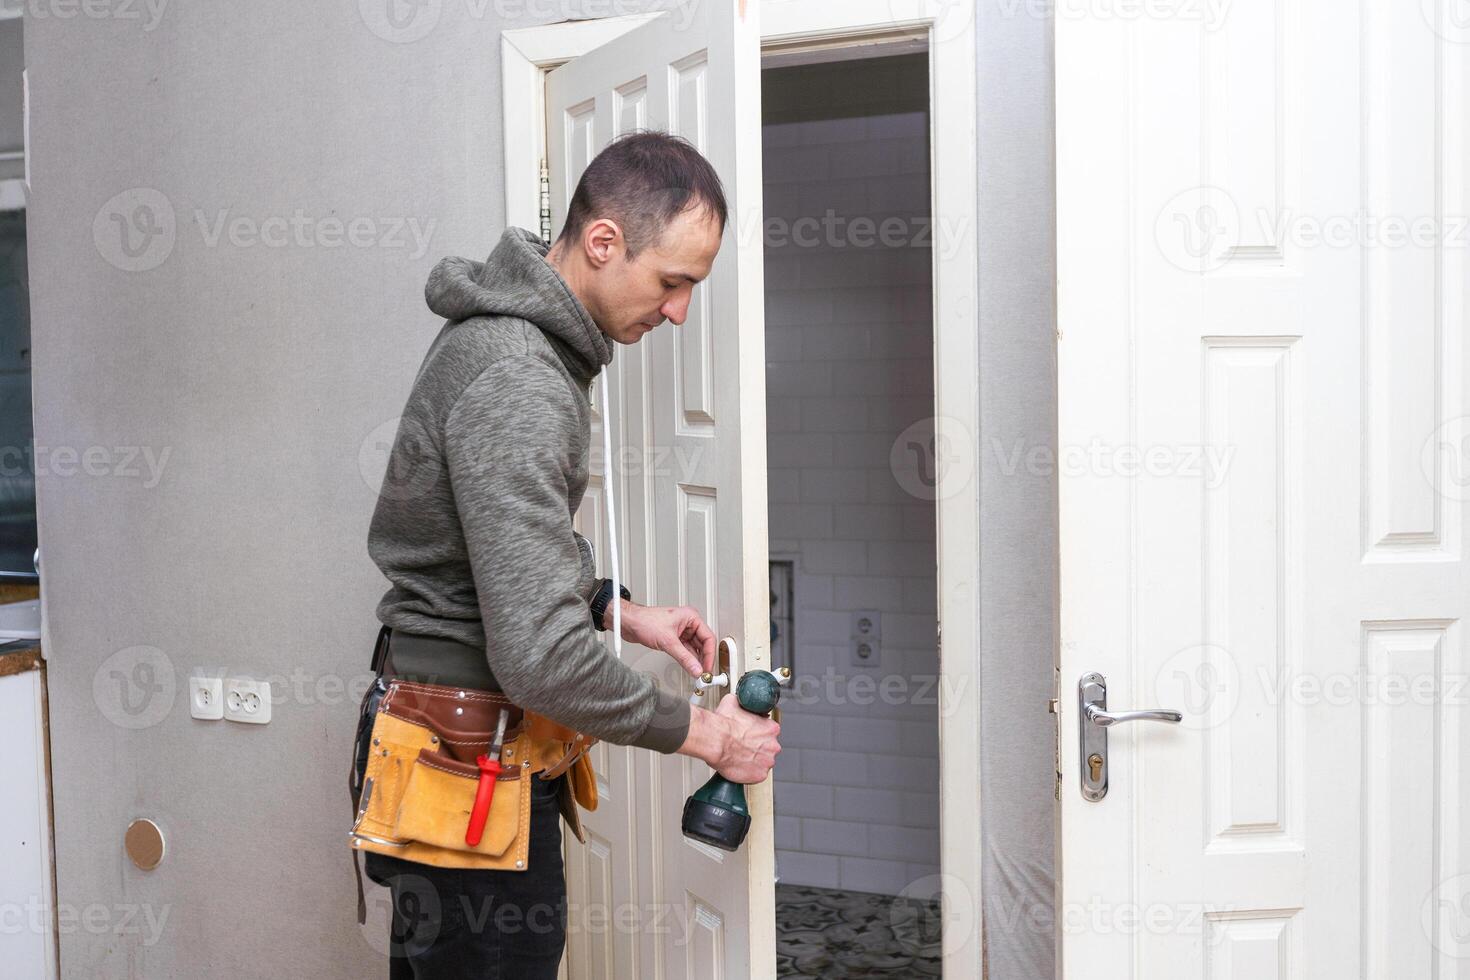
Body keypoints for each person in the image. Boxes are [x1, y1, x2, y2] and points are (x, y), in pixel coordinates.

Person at [363, 130, 782, 978]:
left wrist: (619, 611)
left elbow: (487, 549)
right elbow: (540, 658)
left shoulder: (517, 351)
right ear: (602, 242)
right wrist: (710, 738)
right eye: (672, 282)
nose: (678, 312)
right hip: (468, 766)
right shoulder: (519, 375)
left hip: (459, 760)